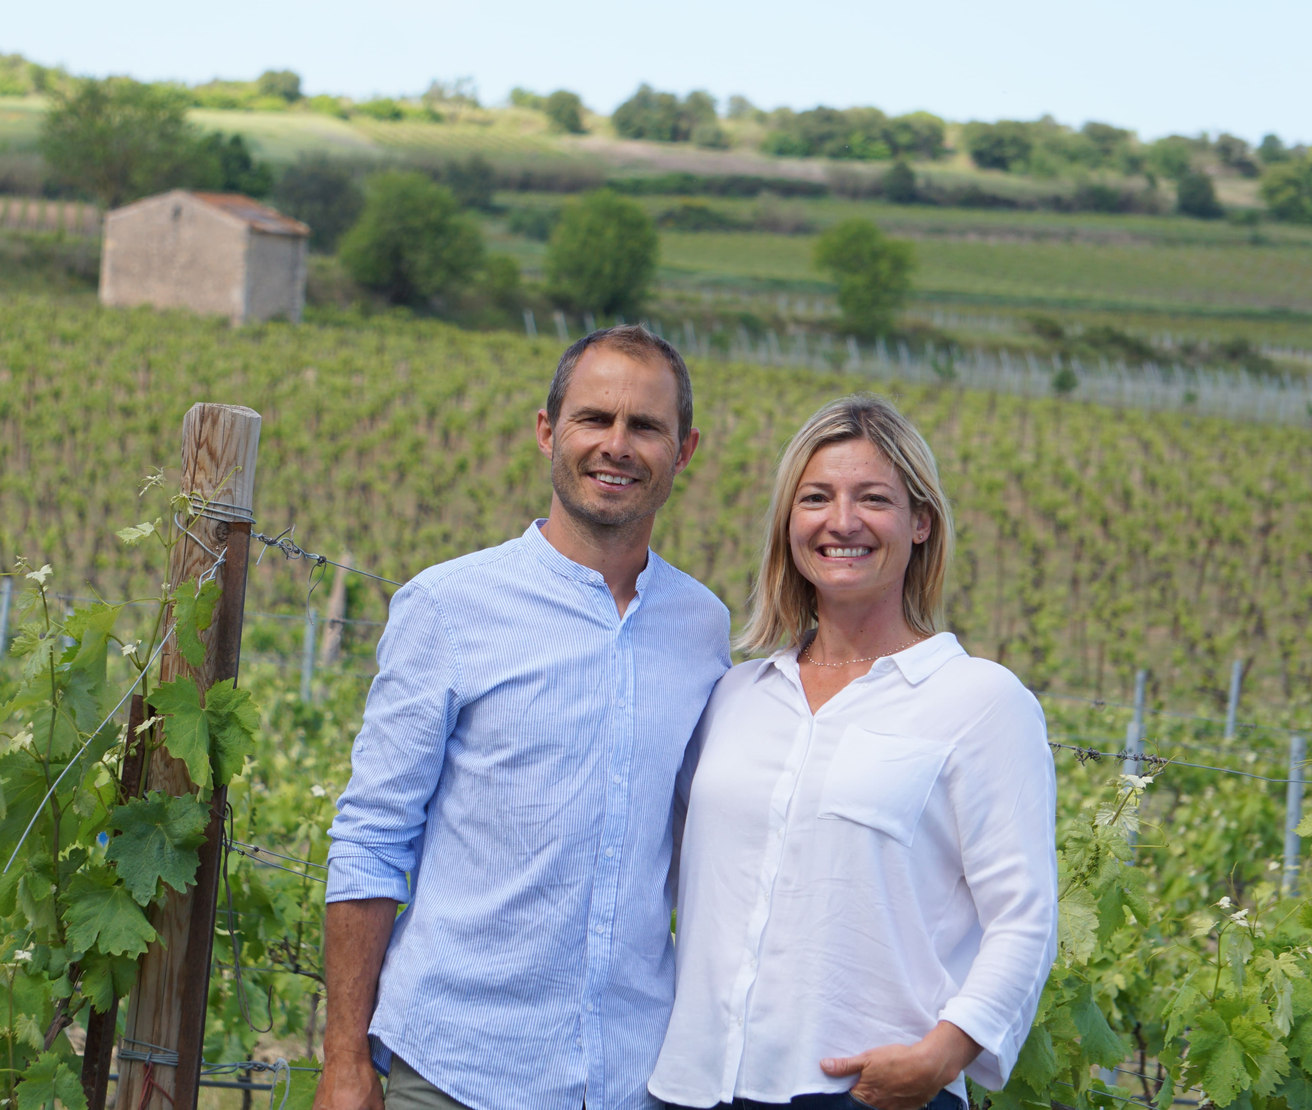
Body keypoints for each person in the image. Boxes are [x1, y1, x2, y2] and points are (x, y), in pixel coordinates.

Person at [317, 326, 733, 1110]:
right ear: (548, 431)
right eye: (593, 419)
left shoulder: (703, 629)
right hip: (456, 1071)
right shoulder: (448, 607)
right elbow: (372, 837)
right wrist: (345, 1060)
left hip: (634, 1079)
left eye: (645, 426)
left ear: (684, 452)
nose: (617, 445)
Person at [648, 394, 1057, 1110]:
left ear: (920, 522)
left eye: (874, 499)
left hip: (867, 1093)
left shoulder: (980, 702)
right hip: (694, 1086)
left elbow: (1023, 915)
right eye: (816, 498)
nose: (842, 522)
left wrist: (940, 1056)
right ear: (789, 523)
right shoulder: (734, 697)